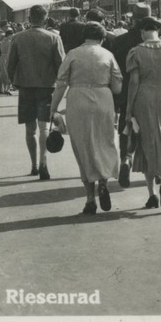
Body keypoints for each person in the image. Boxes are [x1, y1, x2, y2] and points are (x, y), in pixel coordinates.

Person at [49, 21, 123, 215]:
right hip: (103, 100)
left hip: (78, 100)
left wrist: (54, 108)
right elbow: (117, 87)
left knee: (83, 148)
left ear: (84, 36)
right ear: (102, 37)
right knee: (104, 143)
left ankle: (90, 198)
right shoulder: (108, 55)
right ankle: (104, 182)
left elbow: (61, 83)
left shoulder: (73, 54)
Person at [125, 17, 161, 210]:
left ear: (143, 32)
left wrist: (129, 108)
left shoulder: (136, 52)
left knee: (146, 141)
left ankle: (152, 194)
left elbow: (134, 82)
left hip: (145, 96)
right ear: (158, 31)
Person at [7, 4, 65, 180]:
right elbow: (61, 65)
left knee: (29, 129)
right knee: (43, 127)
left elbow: (9, 65)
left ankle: (33, 165)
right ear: (45, 19)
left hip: (25, 86)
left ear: (28, 19)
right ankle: (43, 162)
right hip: (46, 87)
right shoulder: (54, 38)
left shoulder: (17, 38)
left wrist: (14, 82)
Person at [111, 3, 154, 186]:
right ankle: (154, 167)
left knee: (126, 127)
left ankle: (125, 159)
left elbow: (114, 71)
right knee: (152, 128)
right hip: (151, 92)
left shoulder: (119, 41)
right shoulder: (158, 43)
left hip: (126, 92)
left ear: (132, 19)